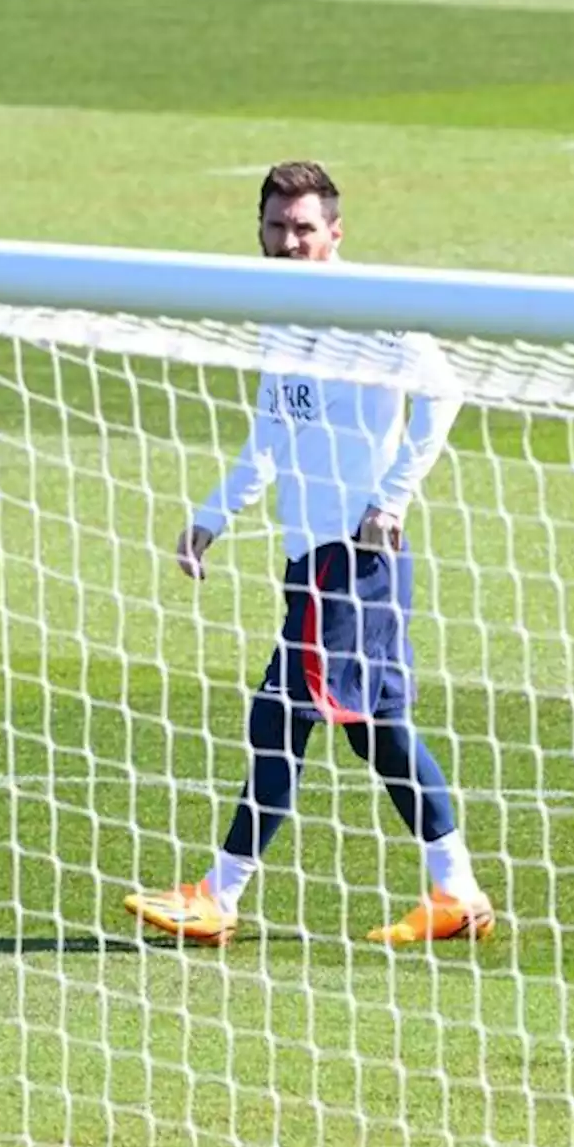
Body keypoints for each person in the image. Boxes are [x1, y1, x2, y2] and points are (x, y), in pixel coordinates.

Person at [123, 161, 493, 947]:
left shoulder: (371, 310)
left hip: (352, 556)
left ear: (335, 234)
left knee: (280, 718)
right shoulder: (279, 317)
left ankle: (219, 895)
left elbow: (446, 392)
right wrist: (211, 517)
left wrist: (390, 499)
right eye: (276, 228)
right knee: (377, 729)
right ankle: (456, 890)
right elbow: (269, 435)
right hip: (314, 560)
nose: (289, 242)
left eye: (303, 229)